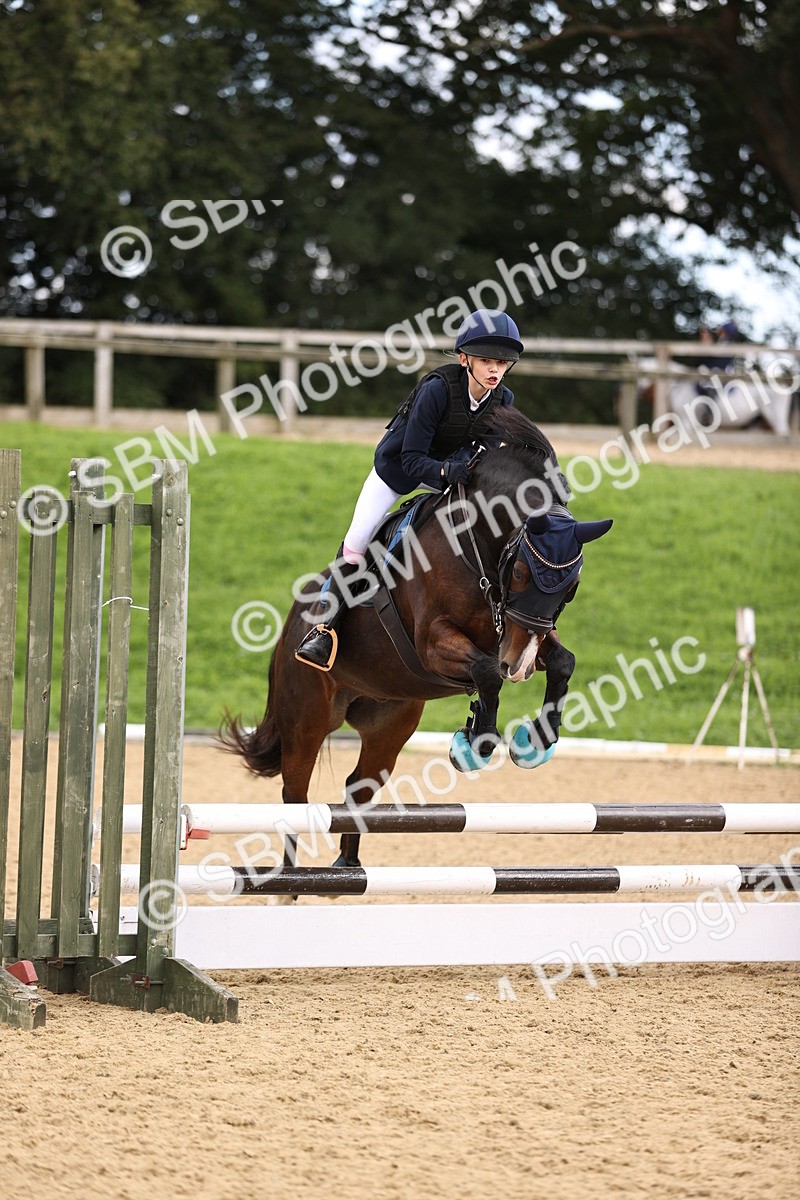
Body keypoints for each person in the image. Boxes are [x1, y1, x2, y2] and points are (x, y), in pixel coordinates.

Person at [295, 308, 524, 670]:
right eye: (485, 361)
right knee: (358, 542)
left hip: (450, 475)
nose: (495, 370)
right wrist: (451, 470)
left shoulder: (502, 400)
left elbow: (485, 451)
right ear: (464, 359)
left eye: (502, 362)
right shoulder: (436, 390)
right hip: (399, 470)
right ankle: (324, 630)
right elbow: (412, 457)